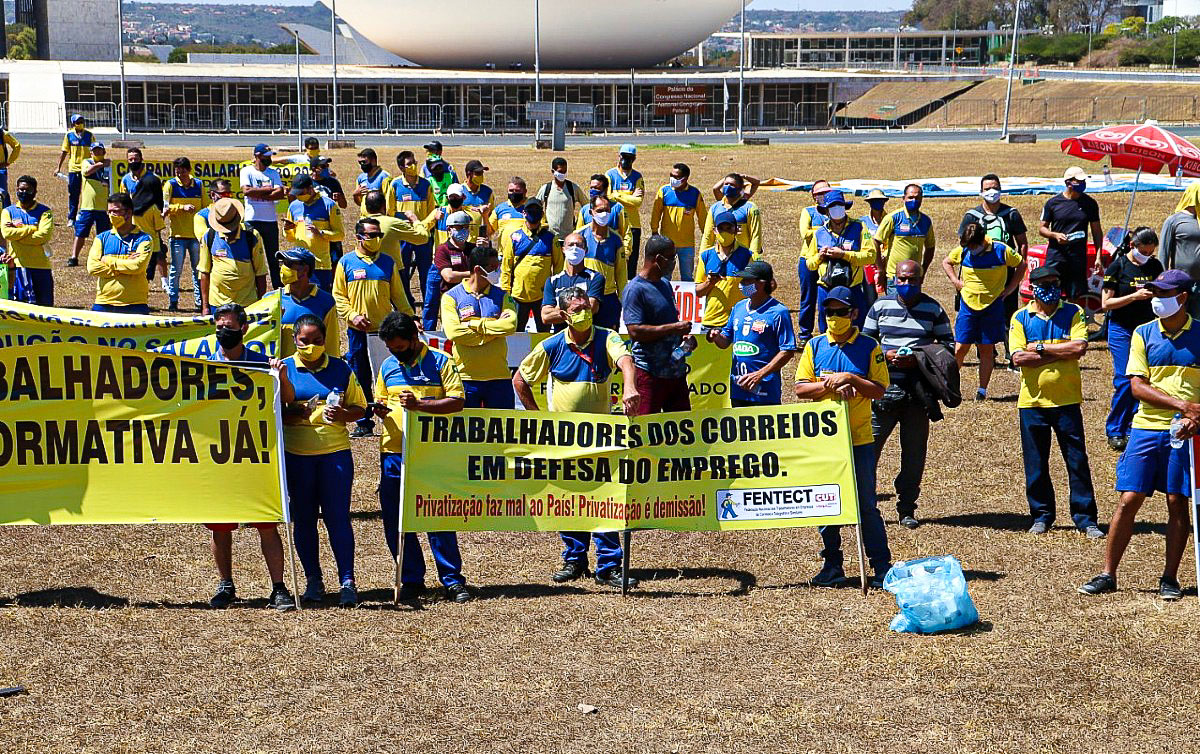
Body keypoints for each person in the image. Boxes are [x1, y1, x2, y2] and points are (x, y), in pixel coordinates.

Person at [1079, 270, 1200, 600]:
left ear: (1183, 297)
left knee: (1177, 502)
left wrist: (1195, 416)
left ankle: (1170, 578)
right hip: (1146, 428)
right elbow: (1136, 387)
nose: (1157, 299)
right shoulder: (1143, 333)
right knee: (1129, 499)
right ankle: (1108, 573)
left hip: (1186, 435)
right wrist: (1182, 404)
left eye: (1164, 293)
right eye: (1155, 292)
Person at [514, 287, 641, 588]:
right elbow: (520, 380)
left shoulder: (607, 336)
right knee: (568, 498)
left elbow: (625, 361)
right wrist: (538, 417)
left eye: (585, 306)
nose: (582, 312)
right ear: (563, 314)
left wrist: (629, 388)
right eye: (575, 308)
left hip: (602, 437)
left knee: (607, 497)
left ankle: (609, 565)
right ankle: (575, 558)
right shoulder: (552, 345)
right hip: (564, 439)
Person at [371, 311, 473, 603]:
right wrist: (379, 409)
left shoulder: (441, 361)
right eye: (391, 349)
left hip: (432, 453)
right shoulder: (388, 366)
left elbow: (457, 402)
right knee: (397, 519)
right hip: (393, 450)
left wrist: (420, 405)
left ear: (415, 339)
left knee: (436, 514)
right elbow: (381, 399)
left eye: (400, 348)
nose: (395, 354)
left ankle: (452, 580)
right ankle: (411, 578)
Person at [795, 285, 892, 588]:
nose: (834, 317)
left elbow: (879, 390)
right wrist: (830, 387)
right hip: (825, 441)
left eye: (840, 312)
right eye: (829, 312)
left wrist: (851, 378)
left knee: (865, 505)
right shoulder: (814, 346)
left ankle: (881, 567)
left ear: (853, 313)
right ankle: (832, 565)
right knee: (826, 505)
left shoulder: (869, 346)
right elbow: (800, 389)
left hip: (859, 439)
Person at [204, 302, 295, 611]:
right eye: (218, 327)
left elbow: (287, 399)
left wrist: (281, 378)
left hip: (257, 456)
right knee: (220, 525)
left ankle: (279, 587)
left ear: (243, 329)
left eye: (229, 327)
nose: (223, 333)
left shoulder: (262, 364)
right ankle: (225, 584)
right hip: (219, 457)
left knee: (266, 522)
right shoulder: (203, 366)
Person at [276, 313, 365, 608]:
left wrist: (344, 415)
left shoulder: (341, 368)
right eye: (305, 341)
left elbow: (359, 408)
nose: (311, 346)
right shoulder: (284, 369)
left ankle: (347, 581)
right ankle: (313, 579)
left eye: (317, 341)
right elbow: (272, 414)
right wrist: (294, 413)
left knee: (337, 518)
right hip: (297, 457)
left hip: (335, 456)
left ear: (325, 340)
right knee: (303, 520)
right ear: (295, 340)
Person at [1010, 265, 1102, 537]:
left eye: (1055, 283)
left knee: (1076, 461)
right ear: (1033, 287)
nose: (1050, 288)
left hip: (1067, 401)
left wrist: (1038, 348)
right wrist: (1061, 353)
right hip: (1032, 403)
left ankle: (1086, 518)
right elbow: (1017, 358)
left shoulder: (1073, 312)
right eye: (1045, 283)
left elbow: (1079, 347)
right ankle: (1041, 515)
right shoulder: (1020, 317)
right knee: (1036, 464)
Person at [863, 259, 954, 529]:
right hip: (883, 393)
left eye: (912, 279)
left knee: (914, 456)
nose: (906, 284)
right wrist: (884, 355)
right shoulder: (880, 307)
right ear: (894, 279)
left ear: (921, 279)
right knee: (869, 452)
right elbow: (865, 345)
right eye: (901, 279)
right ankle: (864, 504)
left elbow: (948, 348)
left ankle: (906, 509)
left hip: (918, 395)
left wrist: (918, 358)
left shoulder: (933, 308)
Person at [333, 217, 414, 438]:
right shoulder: (346, 262)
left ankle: (395, 417)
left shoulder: (388, 263)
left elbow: (399, 295)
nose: (377, 239)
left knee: (388, 375)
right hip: (358, 331)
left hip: (385, 334)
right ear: (358, 237)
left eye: (379, 235)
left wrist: (411, 317)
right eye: (372, 235)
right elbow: (339, 296)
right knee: (360, 376)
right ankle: (364, 421)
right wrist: (352, 316)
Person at [942, 221, 1026, 401]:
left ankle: (982, 390)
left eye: (974, 247)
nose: (971, 250)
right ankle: (949, 386)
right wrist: (956, 282)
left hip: (992, 306)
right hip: (968, 305)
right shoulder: (963, 250)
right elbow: (947, 262)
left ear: (982, 241)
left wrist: (1010, 288)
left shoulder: (1001, 250)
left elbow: (1021, 264)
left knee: (986, 349)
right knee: (960, 348)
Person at [1101, 227, 1163, 451]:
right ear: (1133, 246)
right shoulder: (1118, 266)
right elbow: (1106, 304)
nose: (1147, 256)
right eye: (1144, 251)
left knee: (1144, 379)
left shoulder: (1155, 266)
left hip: (1147, 328)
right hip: (1121, 328)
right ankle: (1116, 429)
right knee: (1125, 379)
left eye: (1151, 251)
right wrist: (1134, 296)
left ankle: (1133, 426)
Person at [959, 174, 1030, 363]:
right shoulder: (971, 216)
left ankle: (1011, 354)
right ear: (981, 192)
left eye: (995, 187)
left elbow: (1022, 243)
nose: (992, 192)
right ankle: (986, 353)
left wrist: (1018, 273)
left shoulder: (1011, 214)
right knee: (977, 312)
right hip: (978, 275)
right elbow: (962, 245)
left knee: (1009, 315)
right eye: (988, 188)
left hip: (1005, 273)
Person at [706, 261, 796, 407]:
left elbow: (787, 351)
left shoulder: (779, 312)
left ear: (761, 283)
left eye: (747, 280)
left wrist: (759, 375)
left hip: (764, 392)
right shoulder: (738, 307)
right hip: (738, 389)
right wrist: (715, 336)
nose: (741, 284)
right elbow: (725, 342)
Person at [440, 244, 518, 408]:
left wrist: (473, 324)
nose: (498, 271)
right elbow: (454, 332)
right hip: (465, 377)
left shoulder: (503, 295)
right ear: (477, 269)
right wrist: (495, 328)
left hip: (499, 377)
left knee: (501, 431)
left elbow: (510, 326)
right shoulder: (450, 297)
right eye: (493, 267)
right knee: (465, 432)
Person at [624, 234, 693, 415]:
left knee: (681, 430)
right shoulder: (635, 289)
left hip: (675, 372)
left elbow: (670, 320)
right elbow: (635, 331)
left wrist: (684, 337)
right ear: (658, 259)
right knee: (646, 431)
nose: (674, 262)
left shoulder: (665, 284)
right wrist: (674, 328)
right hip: (649, 374)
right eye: (671, 257)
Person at [807, 189, 873, 332]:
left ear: (844, 207)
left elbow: (870, 256)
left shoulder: (860, 227)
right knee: (826, 327)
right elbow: (810, 264)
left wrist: (844, 255)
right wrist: (820, 256)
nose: (836, 210)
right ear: (826, 211)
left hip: (852, 287)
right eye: (832, 206)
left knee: (856, 326)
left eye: (839, 205)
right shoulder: (819, 233)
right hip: (826, 288)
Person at [261, 247, 340, 359]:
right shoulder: (270, 300)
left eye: (289, 264)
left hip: (312, 372)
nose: (284, 268)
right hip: (279, 371)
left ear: (305, 269)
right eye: (283, 263)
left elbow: (332, 345)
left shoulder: (326, 302)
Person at [1038, 166, 1103, 300]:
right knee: (1050, 294)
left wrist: (1098, 256)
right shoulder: (1052, 203)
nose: (1082, 184)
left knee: (1077, 296)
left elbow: (1097, 231)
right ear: (1068, 183)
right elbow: (1042, 229)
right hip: (1056, 256)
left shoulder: (1090, 204)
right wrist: (1055, 235)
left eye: (1083, 181)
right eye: (1078, 181)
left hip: (1077, 257)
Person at [387, 150, 437, 321]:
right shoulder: (394, 185)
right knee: (403, 273)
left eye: (414, 162)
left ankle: (429, 308)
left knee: (426, 273)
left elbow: (433, 212)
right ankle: (407, 309)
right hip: (403, 237)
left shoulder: (426, 184)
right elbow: (390, 212)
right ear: (401, 167)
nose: (413, 166)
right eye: (409, 164)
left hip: (422, 236)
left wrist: (422, 227)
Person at [198, 197, 268, 313]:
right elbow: (204, 272)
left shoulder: (252, 236)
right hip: (217, 304)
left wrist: (261, 305)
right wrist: (205, 307)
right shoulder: (209, 236)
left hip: (247, 304)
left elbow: (260, 273)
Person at [87, 192, 153, 314]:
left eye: (115, 211)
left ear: (128, 213)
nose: (111, 215)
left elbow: (137, 267)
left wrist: (108, 260)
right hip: (104, 304)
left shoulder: (144, 239)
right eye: (109, 211)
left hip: (135, 305)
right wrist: (125, 264)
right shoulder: (101, 238)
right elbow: (92, 267)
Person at [500, 199, 559, 333]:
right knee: (516, 333)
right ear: (524, 213)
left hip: (543, 297)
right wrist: (506, 294)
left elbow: (558, 267)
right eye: (530, 210)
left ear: (542, 213)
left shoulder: (551, 238)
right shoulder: (514, 237)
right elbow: (506, 268)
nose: (533, 213)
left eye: (537, 210)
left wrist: (554, 292)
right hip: (518, 296)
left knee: (544, 334)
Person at [696, 209, 754, 332]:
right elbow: (698, 292)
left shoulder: (747, 255)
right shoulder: (706, 256)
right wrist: (710, 282)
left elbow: (753, 289)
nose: (725, 232)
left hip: (738, 322)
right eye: (721, 228)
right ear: (715, 230)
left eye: (729, 228)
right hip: (710, 323)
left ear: (736, 230)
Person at [284, 173, 344, 291]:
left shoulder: (329, 205)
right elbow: (290, 238)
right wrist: (288, 229)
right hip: (299, 265)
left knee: (320, 303)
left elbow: (340, 235)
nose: (299, 196)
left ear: (310, 188)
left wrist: (321, 233)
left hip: (320, 266)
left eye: (301, 193)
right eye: (296, 194)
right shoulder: (293, 206)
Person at [361, 189, 429, 292]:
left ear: (366, 207)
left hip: (368, 270)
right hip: (394, 272)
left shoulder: (360, 224)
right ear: (384, 205)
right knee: (404, 304)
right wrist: (415, 220)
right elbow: (422, 238)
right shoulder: (393, 223)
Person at [162, 157, 207, 312]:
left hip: (196, 235)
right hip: (178, 236)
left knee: (198, 270)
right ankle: (173, 300)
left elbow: (206, 207)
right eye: (177, 171)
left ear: (189, 170)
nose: (180, 174)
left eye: (183, 171)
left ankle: (199, 301)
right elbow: (165, 208)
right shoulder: (171, 185)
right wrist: (181, 207)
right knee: (176, 269)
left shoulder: (199, 185)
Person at [1, 175, 55, 306]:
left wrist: (18, 233)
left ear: (35, 192)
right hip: (18, 266)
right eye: (21, 190)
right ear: (16, 190)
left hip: (41, 267)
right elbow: (7, 233)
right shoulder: (8, 211)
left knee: (44, 308)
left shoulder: (45, 212)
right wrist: (31, 228)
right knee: (20, 307)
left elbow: (43, 236)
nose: (24, 193)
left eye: (28, 190)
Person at [239, 143, 286, 289]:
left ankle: (277, 287)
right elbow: (246, 191)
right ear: (257, 156)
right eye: (266, 156)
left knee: (273, 256)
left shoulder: (273, 173)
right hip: (252, 220)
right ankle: (251, 287)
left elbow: (279, 192)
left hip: (270, 221)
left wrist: (260, 192)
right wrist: (267, 189)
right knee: (251, 256)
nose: (269, 159)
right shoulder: (247, 171)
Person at [650, 162, 706, 282]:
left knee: (687, 277)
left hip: (687, 244)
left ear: (685, 178)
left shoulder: (694, 193)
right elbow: (656, 212)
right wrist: (654, 230)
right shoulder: (664, 191)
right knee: (664, 277)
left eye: (676, 176)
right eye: (671, 175)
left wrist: (706, 235)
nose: (672, 179)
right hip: (667, 243)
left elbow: (703, 217)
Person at [873, 183, 935, 292]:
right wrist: (881, 269)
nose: (914, 201)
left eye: (917, 198)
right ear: (903, 198)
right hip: (895, 277)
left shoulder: (926, 221)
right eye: (910, 197)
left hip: (914, 278)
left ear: (922, 199)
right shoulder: (893, 218)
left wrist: (923, 270)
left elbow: (930, 247)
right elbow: (876, 241)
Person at [120, 148, 167, 290]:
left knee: (158, 253)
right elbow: (123, 200)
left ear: (141, 159)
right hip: (132, 225)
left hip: (150, 222)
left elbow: (159, 201)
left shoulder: (152, 180)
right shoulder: (126, 180)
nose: (133, 162)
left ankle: (164, 280)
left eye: (136, 159)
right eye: (130, 159)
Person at [542, 231, 604, 331]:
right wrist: (578, 308)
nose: (574, 248)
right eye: (570, 245)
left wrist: (559, 308)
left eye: (579, 245)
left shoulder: (595, 277)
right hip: (561, 337)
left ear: (586, 250)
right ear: (563, 249)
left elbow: (591, 309)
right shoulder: (552, 281)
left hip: (587, 335)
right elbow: (546, 317)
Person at [581, 194, 627, 329]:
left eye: (607, 210)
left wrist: (622, 300)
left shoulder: (616, 239)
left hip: (608, 299)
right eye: (600, 211)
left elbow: (621, 273)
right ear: (591, 212)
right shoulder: (580, 236)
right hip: (584, 297)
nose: (604, 214)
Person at [796, 179, 832, 347]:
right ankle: (805, 333)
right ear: (814, 196)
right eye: (820, 193)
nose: (824, 196)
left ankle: (826, 332)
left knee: (826, 296)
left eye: (826, 192)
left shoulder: (835, 210)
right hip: (808, 258)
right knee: (808, 297)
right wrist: (827, 229)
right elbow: (805, 233)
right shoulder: (808, 212)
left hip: (829, 259)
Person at [700, 173, 763, 266]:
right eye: (726, 184)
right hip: (721, 255)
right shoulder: (715, 208)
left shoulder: (749, 207)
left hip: (743, 257)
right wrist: (703, 256)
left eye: (732, 185)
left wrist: (753, 257)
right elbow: (708, 235)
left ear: (740, 188)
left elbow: (756, 235)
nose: (728, 187)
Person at [430, 210, 478, 330]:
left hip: (472, 297)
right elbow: (449, 277)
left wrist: (486, 249)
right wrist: (474, 273)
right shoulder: (443, 250)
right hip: (450, 297)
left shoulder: (474, 249)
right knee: (450, 329)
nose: (464, 231)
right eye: (460, 227)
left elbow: (488, 270)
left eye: (466, 227)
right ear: (449, 229)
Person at [1159, 182, 1200, 319]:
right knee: (1180, 318)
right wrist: (1163, 282)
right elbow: (1163, 253)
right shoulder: (1174, 221)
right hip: (1182, 282)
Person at [68, 142, 111, 267]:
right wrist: (100, 164)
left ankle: (102, 256)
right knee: (81, 233)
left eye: (100, 151)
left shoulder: (109, 165)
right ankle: (74, 257)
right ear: (91, 152)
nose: (97, 153)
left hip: (103, 207)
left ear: (104, 152)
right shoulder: (87, 162)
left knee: (103, 234)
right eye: (95, 151)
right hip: (88, 206)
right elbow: (87, 172)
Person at [606, 144, 645, 279]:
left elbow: (638, 202)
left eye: (630, 158)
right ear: (619, 156)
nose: (626, 160)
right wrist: (629, 196)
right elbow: (608, 197)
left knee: (631, 261)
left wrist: (617, 195)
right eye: (624, 157)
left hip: (633, 225)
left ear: (634, 158)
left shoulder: (637, 177)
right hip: (615, 224)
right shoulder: (610, 175)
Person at [535, 156, 587, 241]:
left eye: (565, 171)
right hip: (550, 238)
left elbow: (586, 206)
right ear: (553, 171)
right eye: (560, 172)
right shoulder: (546, 189)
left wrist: (579, 224)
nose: (563, 174)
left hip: (569, 237)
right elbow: (535, 208)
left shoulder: (573, 188)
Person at [56, 114, 94, 224]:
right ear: (73, 123)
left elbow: (94, 151)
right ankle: (71, 217)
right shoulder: (69, 135)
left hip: (87, 168)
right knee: (74, 193)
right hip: (74, 168)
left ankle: (85, 215)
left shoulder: (89, 135)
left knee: (88, 193)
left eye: (82, 121)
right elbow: (64, 152)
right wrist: (58, 167)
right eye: (78, 122)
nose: (80, 123)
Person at [488, 176, 532, 269]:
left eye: (517, 191)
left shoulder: (532, 208)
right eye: (511, 190)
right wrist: (484, 215)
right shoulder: (500, 209)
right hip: (504, 256)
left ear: (525, 191)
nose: (514, 193)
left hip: (526, 256)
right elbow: (489, 232)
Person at [352, 147, 391, 215]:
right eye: (360, 162)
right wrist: (355, 195)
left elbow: (389, 201)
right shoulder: (361, 178)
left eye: (364, 162)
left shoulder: (384, 177)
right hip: (364, 219)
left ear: (373, 160)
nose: (362, 165)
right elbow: (360, 203)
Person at [461, 159, 495, 224]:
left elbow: (492, 215)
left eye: (482, 173)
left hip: (482, 233)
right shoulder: (459, 191)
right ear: (469, 174)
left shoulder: (488, 192)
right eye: (478, 173)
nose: (481, 176)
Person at [0, 127, 21, 198]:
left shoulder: (2, 134)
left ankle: (6, 209)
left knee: (2, 193)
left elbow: (16, 145)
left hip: (0, 168)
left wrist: (9, 161)